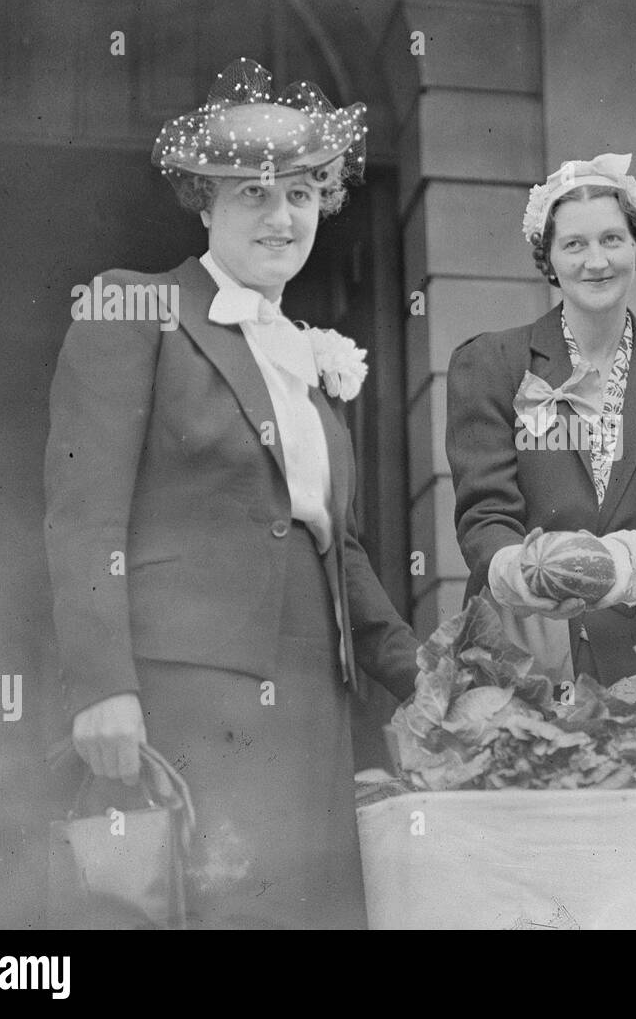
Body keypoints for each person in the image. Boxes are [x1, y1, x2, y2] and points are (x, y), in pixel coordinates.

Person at [44, 58, 418, 929]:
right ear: (203, 203)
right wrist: (102, 684)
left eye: (298, 193)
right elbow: (83, 512)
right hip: (184, 697)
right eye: (251, 194)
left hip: (315, 702)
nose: (280, 216)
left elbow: (339, 546)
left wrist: (425, 679)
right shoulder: (133, 310)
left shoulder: (310, 361)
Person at [445, 154, 636, 688]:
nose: (594, 261)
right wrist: (520, 573)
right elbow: (485, 514)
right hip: (518, 645)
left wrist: (610, 570)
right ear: (548, 257)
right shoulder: (489, 364)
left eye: (612, 240)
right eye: (573, 244)